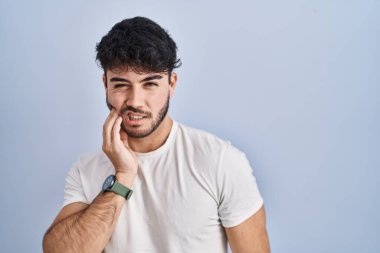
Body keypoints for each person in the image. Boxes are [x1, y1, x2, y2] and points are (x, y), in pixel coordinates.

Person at [42, 16, 270, 253]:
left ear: (171, 84)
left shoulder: (221, 161)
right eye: (120, 85)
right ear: (105, 85)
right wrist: (123, 176)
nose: (135, 101)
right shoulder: (85, 169)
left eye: (150, 84)